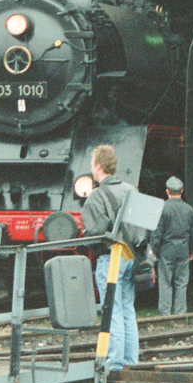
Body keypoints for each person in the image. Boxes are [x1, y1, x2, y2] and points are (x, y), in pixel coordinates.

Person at [80, 144, 139, 371]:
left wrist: (87, 235)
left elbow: (96, 231)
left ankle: (114, 363)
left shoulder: (96, 196)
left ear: (97, 166)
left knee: (111, 310)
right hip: (132, 255)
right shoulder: (131, 189)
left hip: (111, 258)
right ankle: (131, 360)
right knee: (127, 309)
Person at [153, 176, 193, 316]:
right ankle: (180, 313)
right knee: (181, 283)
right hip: (183, 250)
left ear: (167, 191)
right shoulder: (189, 209)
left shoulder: (162, 208)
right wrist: (191, 251)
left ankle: (164, 314)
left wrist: (154, 252)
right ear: (182, 191)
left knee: (165, 283)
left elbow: (156, 234)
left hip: (166, 250)